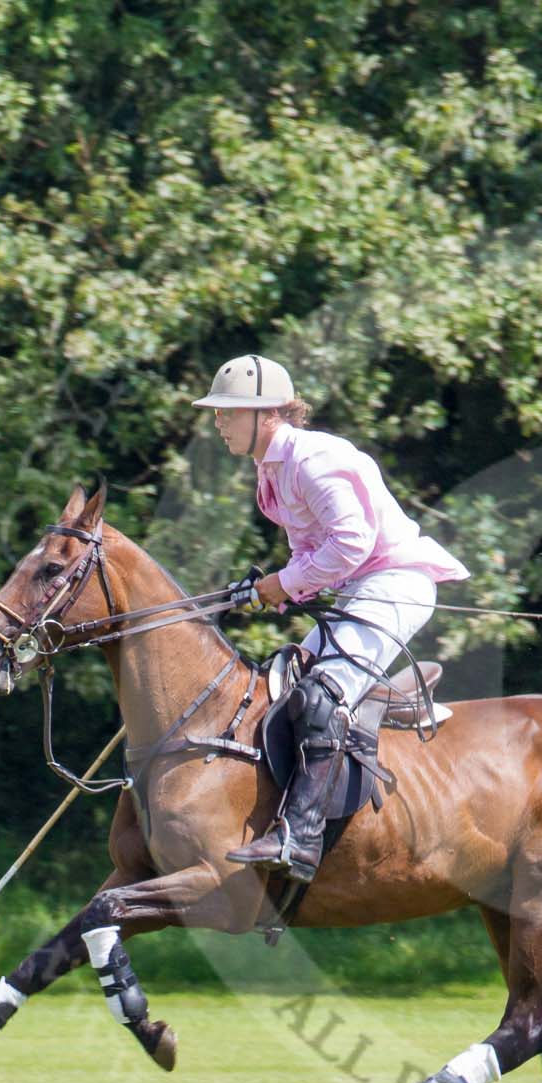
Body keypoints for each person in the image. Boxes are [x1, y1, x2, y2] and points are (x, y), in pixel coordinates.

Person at [193, 354, 469, 881]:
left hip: (395, 583)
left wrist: (284, 584)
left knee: (323, 695)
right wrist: (265, 588)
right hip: (357, 591)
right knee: (283, 681)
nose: (218, 422)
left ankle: (300, 837)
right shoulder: (270, 470)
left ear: (267, 413)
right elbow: (311, 555)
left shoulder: (313, 459)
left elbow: (351, 543)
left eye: (228, 411)